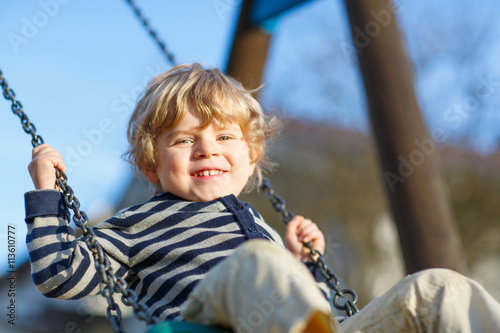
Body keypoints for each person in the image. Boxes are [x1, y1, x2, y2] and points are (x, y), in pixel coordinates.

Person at [25, 63, 500, 333]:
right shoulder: (137, 223)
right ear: (151, 164)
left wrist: (302, 265)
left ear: (251, 159)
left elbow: (314, 306)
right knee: (256, 262)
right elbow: (58, 275)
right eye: (185, 140)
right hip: (205, 322)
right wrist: (47, 194)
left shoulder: (261, 227)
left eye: (225, 138)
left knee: (437, 288)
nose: (207, 148)